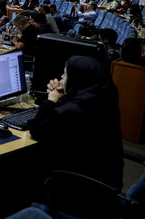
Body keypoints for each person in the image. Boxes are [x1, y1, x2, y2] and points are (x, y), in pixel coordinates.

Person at [29, 56, 123, 190]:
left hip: (78, 187)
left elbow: (37, 129)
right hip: (106, 182)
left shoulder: (74, 111)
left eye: (66, 74)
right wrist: (63, 96)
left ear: (78, 79)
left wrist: (51, 100)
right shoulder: (103, 100)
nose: (61, 77)